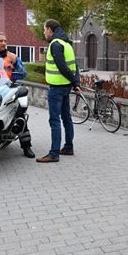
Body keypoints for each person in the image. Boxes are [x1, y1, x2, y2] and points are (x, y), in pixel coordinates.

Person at [0, 32, 35, 158]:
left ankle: (26, 146)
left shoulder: (12, 57)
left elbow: (23, 73)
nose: (4, 43)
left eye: (5, 41)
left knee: (19, 114)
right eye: (1, 40)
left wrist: (17, 68)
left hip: (7, 89)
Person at [36, 19, 81, 163]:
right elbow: (75, 66)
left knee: (54, 120)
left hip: (56, 89)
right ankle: (68, 147)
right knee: (66, 117)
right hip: (66, 87)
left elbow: (63, 67)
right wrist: (75, 83)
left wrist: (75, 82)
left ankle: (54, 153)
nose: (44, 33)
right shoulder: (67, 44)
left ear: (50, 29)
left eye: (44, 30)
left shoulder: (55, 44)